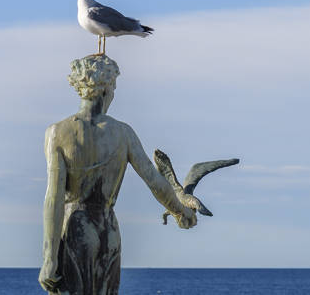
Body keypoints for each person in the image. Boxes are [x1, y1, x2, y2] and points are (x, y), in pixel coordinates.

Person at [38, 55, 196, 295]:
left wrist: (49, 258)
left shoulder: (58, 133)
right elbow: (154, 181)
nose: (113, 94)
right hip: (108, 231)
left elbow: (54, 199)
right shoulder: (123, 133)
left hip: (76, 230)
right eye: (113, 88)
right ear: (105, 88)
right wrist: (179, 211)